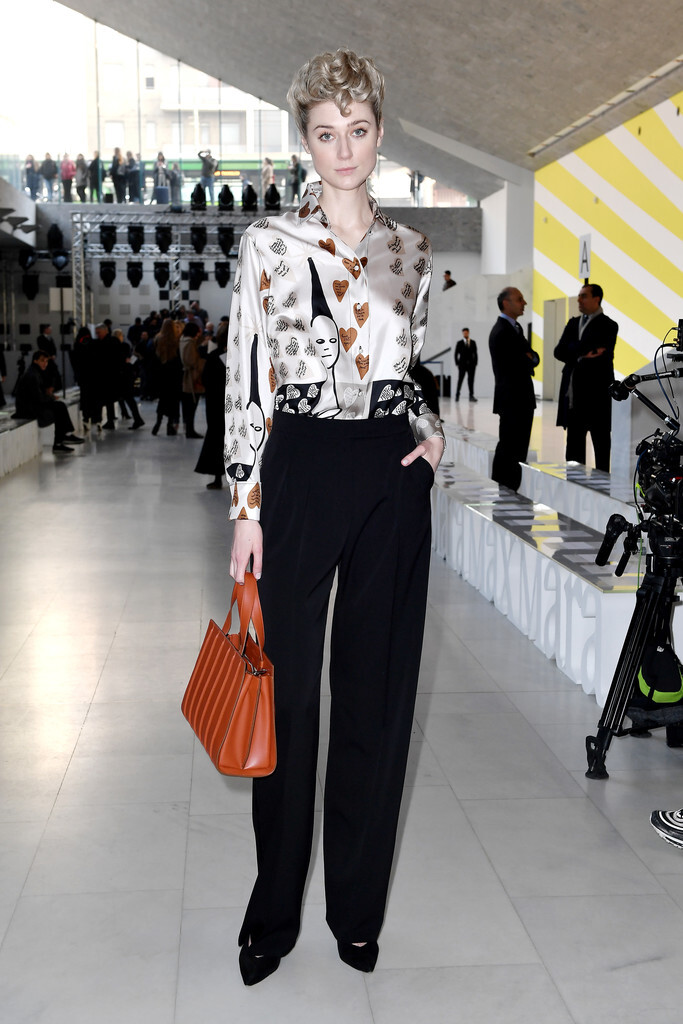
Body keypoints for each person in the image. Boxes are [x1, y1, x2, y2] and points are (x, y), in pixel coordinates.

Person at [226, 47, 444, 986]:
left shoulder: (412, 250)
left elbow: (412, 365)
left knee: (375, 695)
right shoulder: (269, 245)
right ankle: (272, 914)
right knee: (284, 699)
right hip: (301, 466)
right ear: (305, 140)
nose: (343, 149)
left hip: (389, 471)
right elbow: (247, 375)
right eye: (326, 133)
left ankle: (356, 910)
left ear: (379, 133)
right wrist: (246, 506)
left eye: (357, 130)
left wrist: (430, 433)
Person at [554, 282, 618, 472]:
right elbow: (558, 351)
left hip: (598, 398)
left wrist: (573, 350)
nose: (579, 300)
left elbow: (600, 355)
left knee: (601, 448)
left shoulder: (609, 325)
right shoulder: (573, 323)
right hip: (574, 399)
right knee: (573, 451)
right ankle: (574, 485)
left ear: (596, 299)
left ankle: (602, 487)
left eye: (583, 296)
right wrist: (583, 352)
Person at [489, 287, 539, 491]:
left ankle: (510, 488)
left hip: (519, 399)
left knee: (517, 447)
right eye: (519, 299)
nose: (524, 303)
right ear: (506, 303)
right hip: (512, 399)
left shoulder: (514, 328)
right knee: (510, 447)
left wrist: (528, 358)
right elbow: (520, 362)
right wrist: (528, 358)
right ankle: (505, 486)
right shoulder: (502, 331)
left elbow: (533, 357)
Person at [13, 351, 84, 453]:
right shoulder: (32, 375)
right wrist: (50, 398)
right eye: (42, 361)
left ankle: (63, 439)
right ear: (35, 361)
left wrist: (49, 397)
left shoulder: (35, 372)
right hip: (27, 409)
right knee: (59, 407)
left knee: (60, 406)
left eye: (46, 361)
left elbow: (38, 395)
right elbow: (37, 397)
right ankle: (62, 440)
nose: (45, 363)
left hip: (30, 406)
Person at [194, 320, 228, 488]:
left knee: (216, 438)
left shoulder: (214, 356)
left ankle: (217, 477)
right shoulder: (241, 357)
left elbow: (206, 380)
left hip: (216, 404)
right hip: (233, 406)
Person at [151, 318, 182, 435]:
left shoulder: (158, 338)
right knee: (173, 401)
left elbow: (153, 356)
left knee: (162, 400)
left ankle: (158, 423)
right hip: (173, 373)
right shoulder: (176, 340)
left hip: (161, 373)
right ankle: (169, 426)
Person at [179, 321, 204, 438]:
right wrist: (203, 362)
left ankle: (189, 429)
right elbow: (192, 361)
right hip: (192, 376)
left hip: (188, 376)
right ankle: (190, 430)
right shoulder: (189, 343)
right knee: (191, 406)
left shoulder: (183, 340)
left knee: (188, 406)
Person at [454, 327, 478, 402]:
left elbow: (475, 353)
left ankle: (471, 396)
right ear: (463, 333)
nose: (465, 334)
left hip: (471, 365)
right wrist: (457, 363)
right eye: (464, 333)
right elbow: (456, 354)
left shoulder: (473, 342)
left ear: (468, 333)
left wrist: (475, 363)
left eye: (466, 332)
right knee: (460, 380)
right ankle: (457, 395)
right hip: (462, 365)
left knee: (471, 380)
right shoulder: (459, 343)